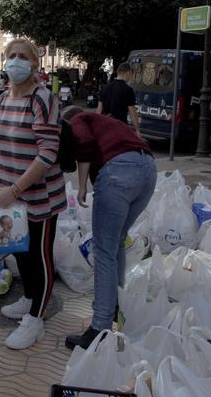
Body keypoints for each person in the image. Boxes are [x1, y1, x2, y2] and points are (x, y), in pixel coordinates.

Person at [0, 38, 66, 351]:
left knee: (40, 258)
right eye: (11, 56)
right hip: (12, 198)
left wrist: (15, 188)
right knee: (21, 252)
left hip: (41, 198)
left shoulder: (42, 99)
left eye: (23, 57)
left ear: (35, 65)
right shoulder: (1, 100)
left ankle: (35, 322)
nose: (16, 61)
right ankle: (30, 298)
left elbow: (48, 153)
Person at [62, 107, 156, 351]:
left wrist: (82, 185)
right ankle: (115, 305)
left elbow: (84, 143)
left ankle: (99, 330)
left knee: (104, 250)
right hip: (148, 170)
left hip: (119, 172)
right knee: (116, 243)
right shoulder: (109, 122)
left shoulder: (79, 119)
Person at [96, 62, 141, 137]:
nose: (131, 77)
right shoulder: (128, 90)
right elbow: (132, 112)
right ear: (128, 73)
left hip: (105, 126)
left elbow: (99, 110)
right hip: (120, 128)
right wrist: (137, 130)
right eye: (131, 75)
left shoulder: (104, 88)